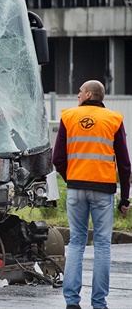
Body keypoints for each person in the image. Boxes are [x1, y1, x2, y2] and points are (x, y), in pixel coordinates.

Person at [52, 80, 131, 309]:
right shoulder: (114, 119)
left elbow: (58, 159)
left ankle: (72, 302)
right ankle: (99, 303)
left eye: (79, 92)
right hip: (103, 191)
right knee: (103, 244)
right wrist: (125, 198)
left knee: (76, 242)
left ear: (88, 94)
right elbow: (125, 164)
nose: (77, 95)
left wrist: (73, 180)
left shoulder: (69, 117)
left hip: (76, 189)